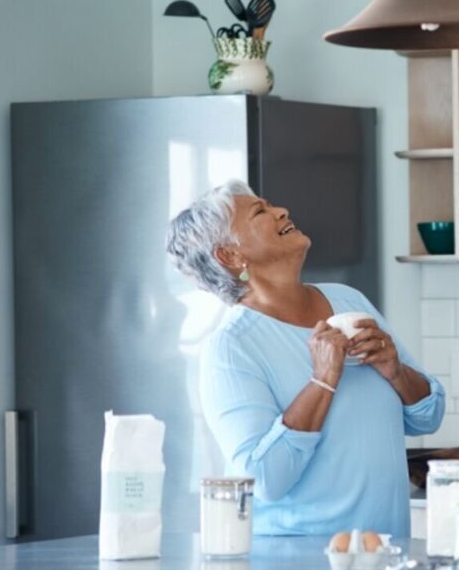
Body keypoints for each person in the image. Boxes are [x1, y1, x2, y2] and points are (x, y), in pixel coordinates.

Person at [166, 181, 444, 539]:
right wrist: (323, 381)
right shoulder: (232, 347)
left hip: (385, 555)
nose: (281, 211)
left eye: (270, 204)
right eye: (260, 212)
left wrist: (395, 371)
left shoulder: (347, 301)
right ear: (231, 257)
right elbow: (265, 478)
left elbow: (429, 416)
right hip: (299, 569)